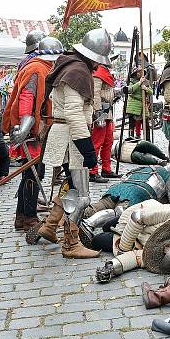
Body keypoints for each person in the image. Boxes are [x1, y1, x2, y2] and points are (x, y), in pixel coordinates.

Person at [27, 29, 112, 259]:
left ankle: (50, 226)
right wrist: (87, 148)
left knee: (71, 187)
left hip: (66, 134)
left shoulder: (70, 65)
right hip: (71, 137)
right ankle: (71, 245)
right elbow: (74, 113)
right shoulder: (77, 72)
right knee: (81, 194)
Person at [2, 36, 62, 231]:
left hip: (38, 127)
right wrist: (25, 127)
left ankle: (23, 216)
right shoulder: (37, 68)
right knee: (33, 172)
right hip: (31, 130)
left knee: (33, 172)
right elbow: (27, 97)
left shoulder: (41, 67)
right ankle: (27, 217)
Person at [89, 63, 121, 183]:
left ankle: (106, 169)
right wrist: (97, 112)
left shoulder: (105, 72)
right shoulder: (98, 72)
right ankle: (93, 171)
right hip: (101, 112)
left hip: (108, 112)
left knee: (108, 141)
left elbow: (107, 91)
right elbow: (95, 93)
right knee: (97, 142)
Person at [124, 64, 152, 138]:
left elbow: (151, 92)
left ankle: (147, 140)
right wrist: (139, 83)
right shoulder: (131, 81)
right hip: (133, 105)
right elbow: (130, 90)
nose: (140, 73)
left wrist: (146, 88)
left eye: (141, 71)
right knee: (131, 126)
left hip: (143, 105)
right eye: (138, 72)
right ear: (135, 73)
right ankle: (131, 140)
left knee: (146, 125)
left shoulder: (145, 81)